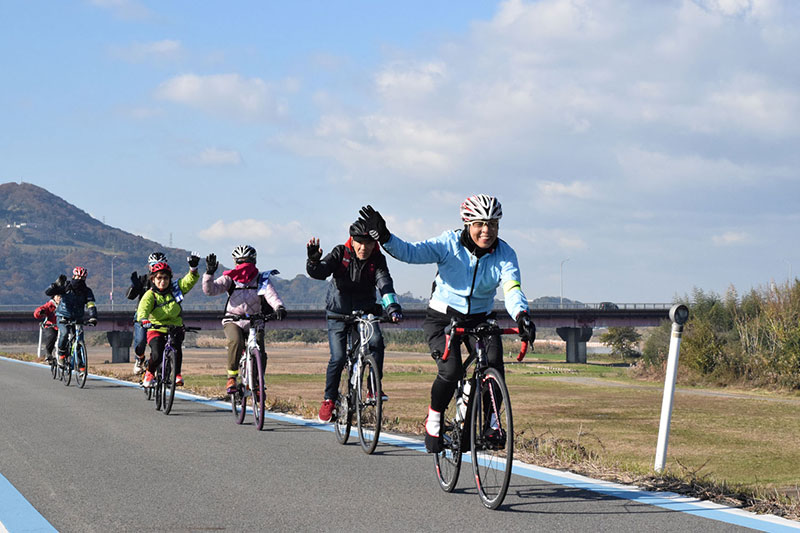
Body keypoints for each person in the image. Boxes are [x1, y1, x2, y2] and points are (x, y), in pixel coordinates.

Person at [357, 195, 535, 452]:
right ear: (467, 224)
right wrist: (385, 237)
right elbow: (411, 252)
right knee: (450, 371)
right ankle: (435, 418)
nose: (487, 231)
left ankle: (493, 425)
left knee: (494, 362)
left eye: (493, 224)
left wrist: (522, 315)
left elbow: (512, 288)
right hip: (443, 317)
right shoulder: (447, 244)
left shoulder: (505, 253)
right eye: (480, 224)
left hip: (481, 318)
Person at [306, 219, 403, 423]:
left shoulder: (377, 259)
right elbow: (321, 271)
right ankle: (329, 399)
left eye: (368, 243)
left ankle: (372, 388)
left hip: (365, 310)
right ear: (352, 240)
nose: (363, 247)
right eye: (359, 242)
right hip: (338, 313)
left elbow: (384, 283)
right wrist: (313, 262)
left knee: (376, 341)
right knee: (339, 357)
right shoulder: (340, 253)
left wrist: (392, 307)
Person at [202, 245, 287, 394]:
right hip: (233, 319)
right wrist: (209, 274)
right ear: (235, 263)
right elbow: (210, 290)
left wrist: (279, 307)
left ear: (254, 262)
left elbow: (271, 295)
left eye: (247, 261)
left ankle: (257, 383)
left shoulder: (261, 278)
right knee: (236, 341)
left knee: (260, 352)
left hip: (255, 320)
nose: (243, 266)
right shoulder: (230, 278)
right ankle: (232, 377)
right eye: (240, 262)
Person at [137, 254, 200, 388]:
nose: (163, 281)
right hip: (156, 328)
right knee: (157, 353)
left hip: (174, 326)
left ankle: (177, 374)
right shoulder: (150, 295)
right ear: (153, 279)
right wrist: (143, 320)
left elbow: (189, 281)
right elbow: (143, 310)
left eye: (166, 278)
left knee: (176, 349)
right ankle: (149, 372)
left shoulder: (176, 289)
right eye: (159, 278)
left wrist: (193, 269)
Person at [45, 267, 98, 370]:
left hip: (78, 317)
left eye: (82, 278)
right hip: (63, 315)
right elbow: (48, 292)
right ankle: (61, 354)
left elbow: (91, 305)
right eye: (78, 276)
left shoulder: (87, 291)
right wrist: (54, 286)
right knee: (64, 334)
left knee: (79, 340)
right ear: (74, 276)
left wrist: (93, 317)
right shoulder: (66, 286)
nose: (80, 279)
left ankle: (81, 367)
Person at [127, 252, 168, 374]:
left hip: (161, 317)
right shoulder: (143, 280)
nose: (157, 267)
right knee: (140, 341)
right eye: (153, 264)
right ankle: (140, 359)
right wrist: (134, 286)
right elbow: (130, 296)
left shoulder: (166, 281)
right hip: (142, 316)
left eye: (160, 264)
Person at [33, 294, 62, 362]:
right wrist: (40, 312)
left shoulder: (66, 305)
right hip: (51, 326)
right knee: (51, 336)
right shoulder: (50, 305)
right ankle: (48, 354)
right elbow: (39, 311)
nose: (59, 298)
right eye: (57, 296)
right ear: (54, 297)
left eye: (61, 296)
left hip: (63, 326)